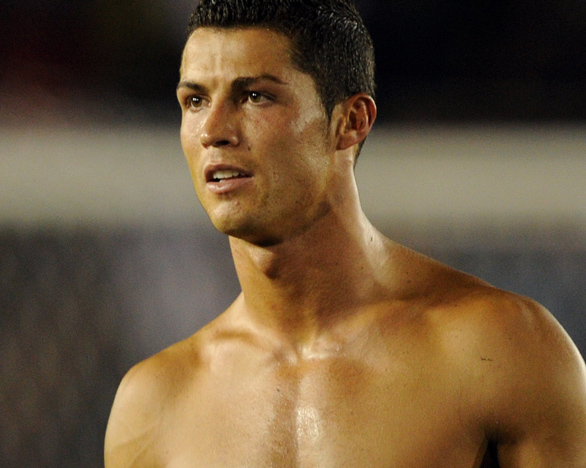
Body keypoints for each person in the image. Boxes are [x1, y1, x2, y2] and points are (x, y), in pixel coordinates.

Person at [104, 1, 586, 466]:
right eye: (194, 100)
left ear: (351, 122)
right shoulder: (153, 404)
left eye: (255, 96)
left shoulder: (499, 347)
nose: (213, 129)